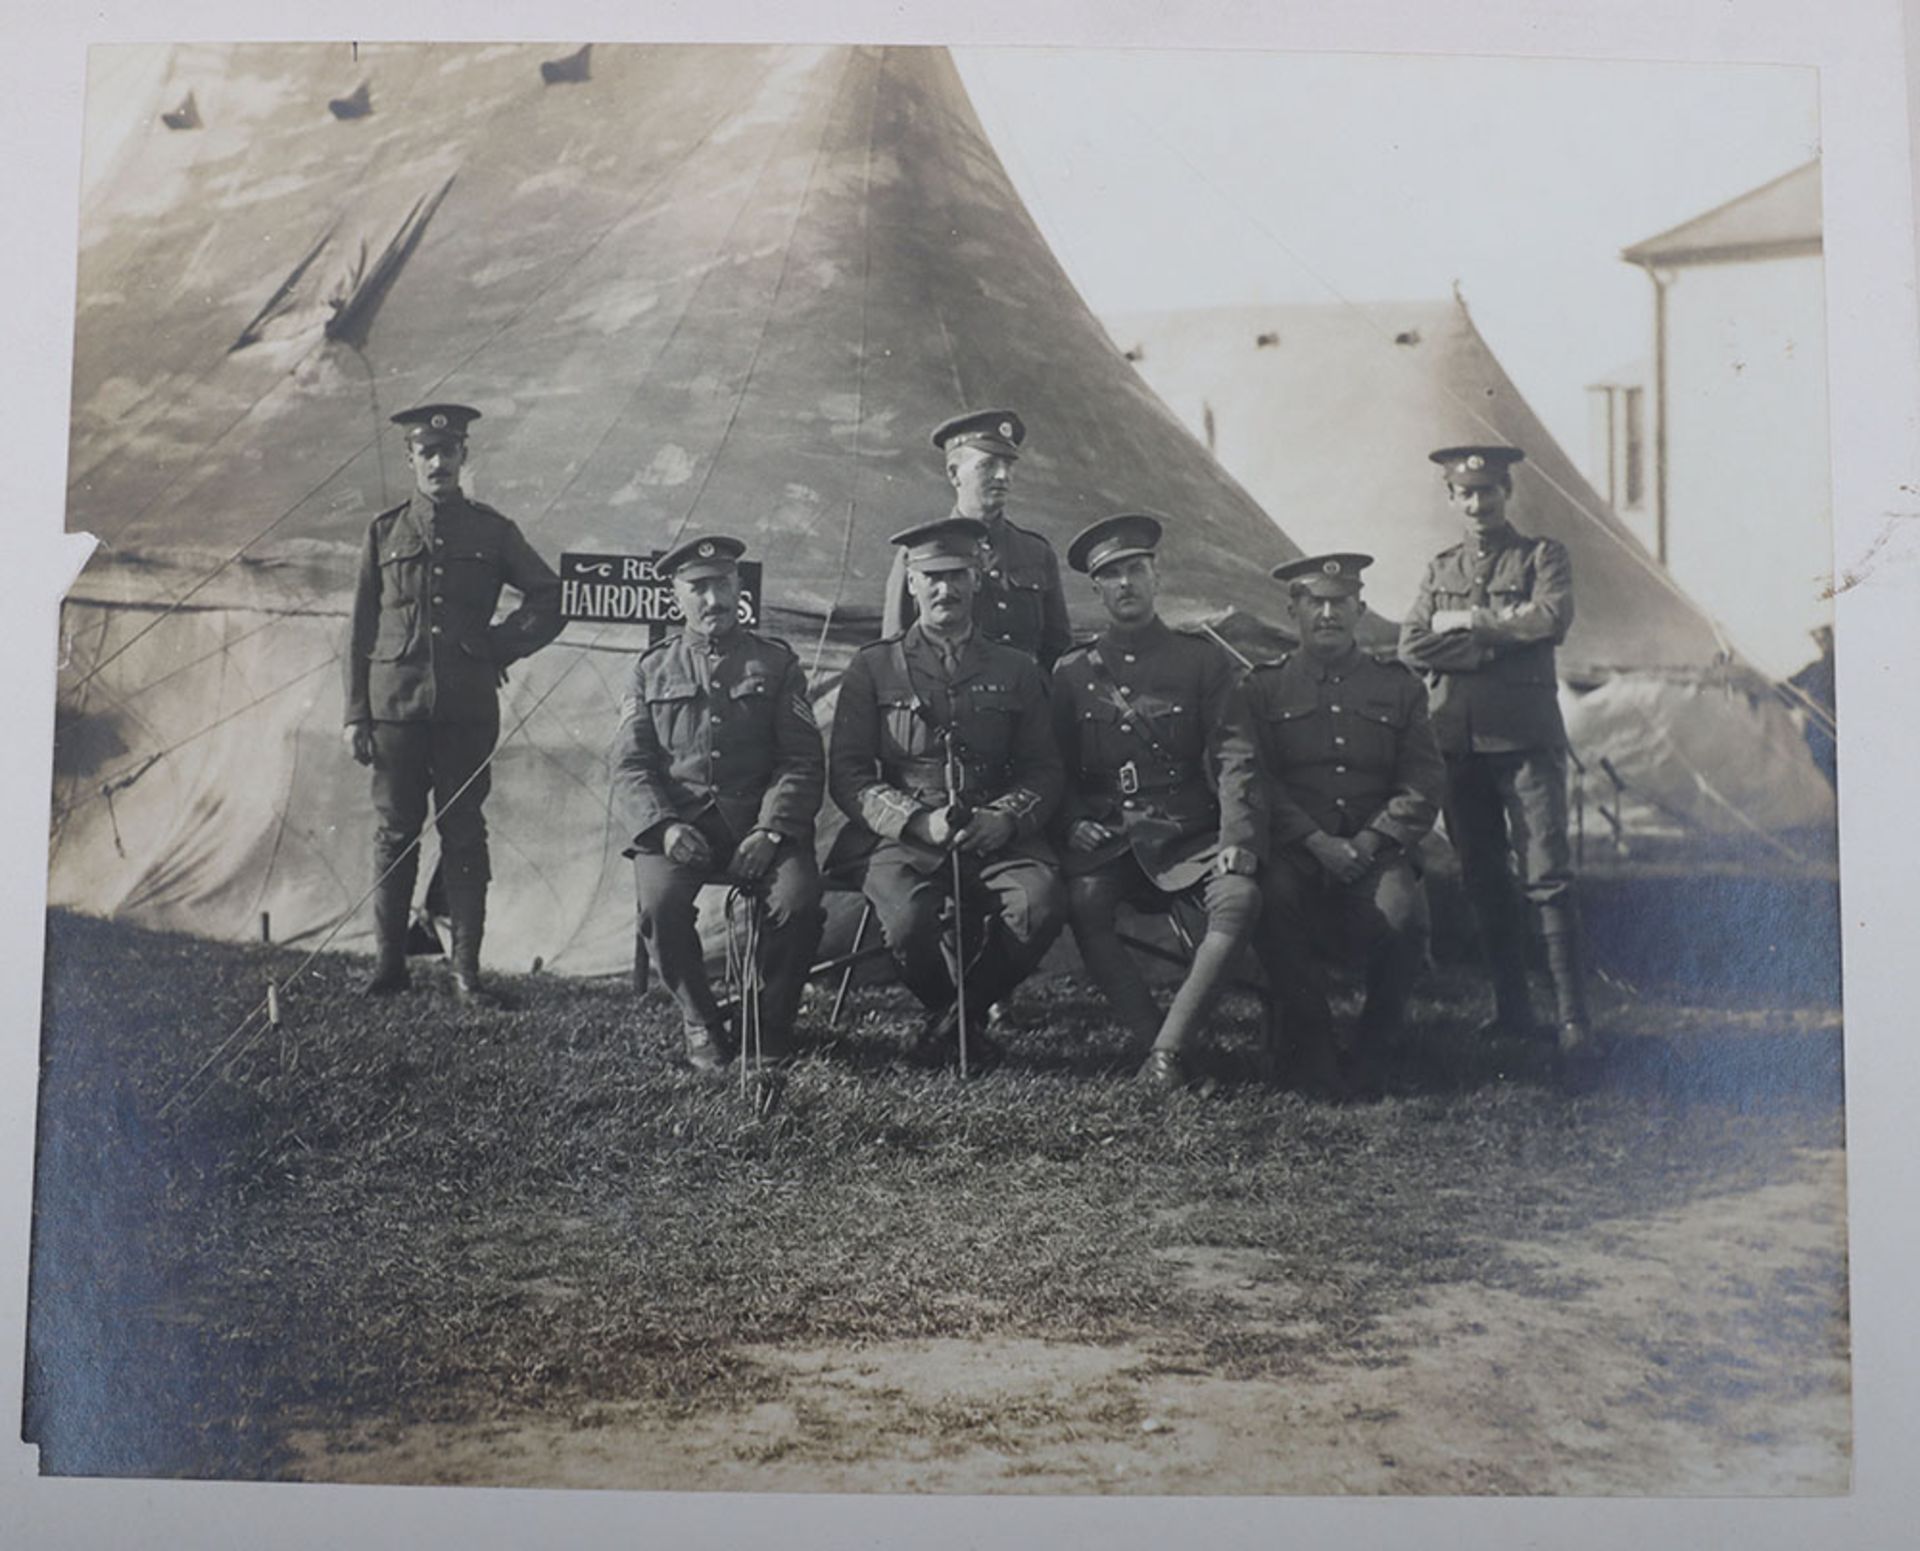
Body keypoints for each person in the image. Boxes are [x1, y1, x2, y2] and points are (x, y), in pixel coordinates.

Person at [342, 403, 563, 1002]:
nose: (439, 462)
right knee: (395, 834)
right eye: (427, 453)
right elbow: (361, 628)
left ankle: (465, 971)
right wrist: (355, 713)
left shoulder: (492, 531)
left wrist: (494, 648)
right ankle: (391, 967)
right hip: (395, 711)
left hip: (465, 710)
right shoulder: (384, 531)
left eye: (449, 452)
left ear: (466, 457)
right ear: (411, 459)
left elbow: (549, 596)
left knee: (465, 833)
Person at [829, 516, 1067, 1069]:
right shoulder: (872, 667)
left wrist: (1005, 818)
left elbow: (1044, 769)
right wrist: (915, 822)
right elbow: (848, 773)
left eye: (957, 574)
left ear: (977, 578)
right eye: (932, 576)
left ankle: (950, 1026)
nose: (945, 588)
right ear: (911, 583)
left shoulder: (1017, 668)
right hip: (905, 833)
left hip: (992, 827)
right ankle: (959, 1022)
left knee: (1040, 902)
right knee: (909, 922)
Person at [1050, 513, 1263, 1091]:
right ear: (1096, 588)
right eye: (1111, 575)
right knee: (1086, 900)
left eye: (1135, 570)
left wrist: (1238, 840)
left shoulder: (1201, 660)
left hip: (1190, 834)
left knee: (1238, 898)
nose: (1126, 585)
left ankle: (1166, 1056)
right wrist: (1071, 821)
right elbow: (1054, 768)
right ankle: (1157, 1043)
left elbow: (1235, 755)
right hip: (1112, 838)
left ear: (1156, 575)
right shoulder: (1072, 673)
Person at [1399, 444, 1597, 1062]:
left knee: (1546, 874)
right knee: (1484, 878)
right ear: (1452, 500)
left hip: (1525, 741)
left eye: (1489, 491)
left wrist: (1470, 623)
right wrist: (1491, 645)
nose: (1479, 502)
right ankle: (1512, 1010)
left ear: (1507, 494)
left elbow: (1550, 618)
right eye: (1466, 493)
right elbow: (1411, 644)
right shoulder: (1440, 568)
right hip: (1459, 746)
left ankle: (1572, 1020)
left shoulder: (1543, 556)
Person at [610, 535, 826, 1073]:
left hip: (758, 828)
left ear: (738, 588)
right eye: (698, 587)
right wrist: (663, 830)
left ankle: (767, 1025)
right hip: (680, 828)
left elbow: (800, 760)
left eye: (722, 585)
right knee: (660, 905)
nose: (713, 600)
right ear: (676, 597)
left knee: (798, 900)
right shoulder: (650, 669)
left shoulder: (776, 664)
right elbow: (630, 765)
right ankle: (701, 1021)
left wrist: (771, 832)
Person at [1248, 554, 1445, 1097]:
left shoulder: (1400, 687)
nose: (1328, 613)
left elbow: (1424, 781)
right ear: (1293, 611)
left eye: (1340, 602)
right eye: (1315, 602)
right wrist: (1313, 840)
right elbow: (1256, 781)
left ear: (1360, 608)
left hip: (1373, 852)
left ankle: (1373, 1048)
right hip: (1295, 850)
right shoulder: (1262, 689)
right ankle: (1310, 1046)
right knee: (1269, 900)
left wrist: (1369, 840)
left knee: (1403, 914)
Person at [880, 410, 1072, 670]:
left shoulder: (1036, 552)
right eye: (988, 465)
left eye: (1008, 465)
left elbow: (1057, 650)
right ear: (954, 474)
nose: (1003, 476)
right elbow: (895, 655)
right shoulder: (920, 553)